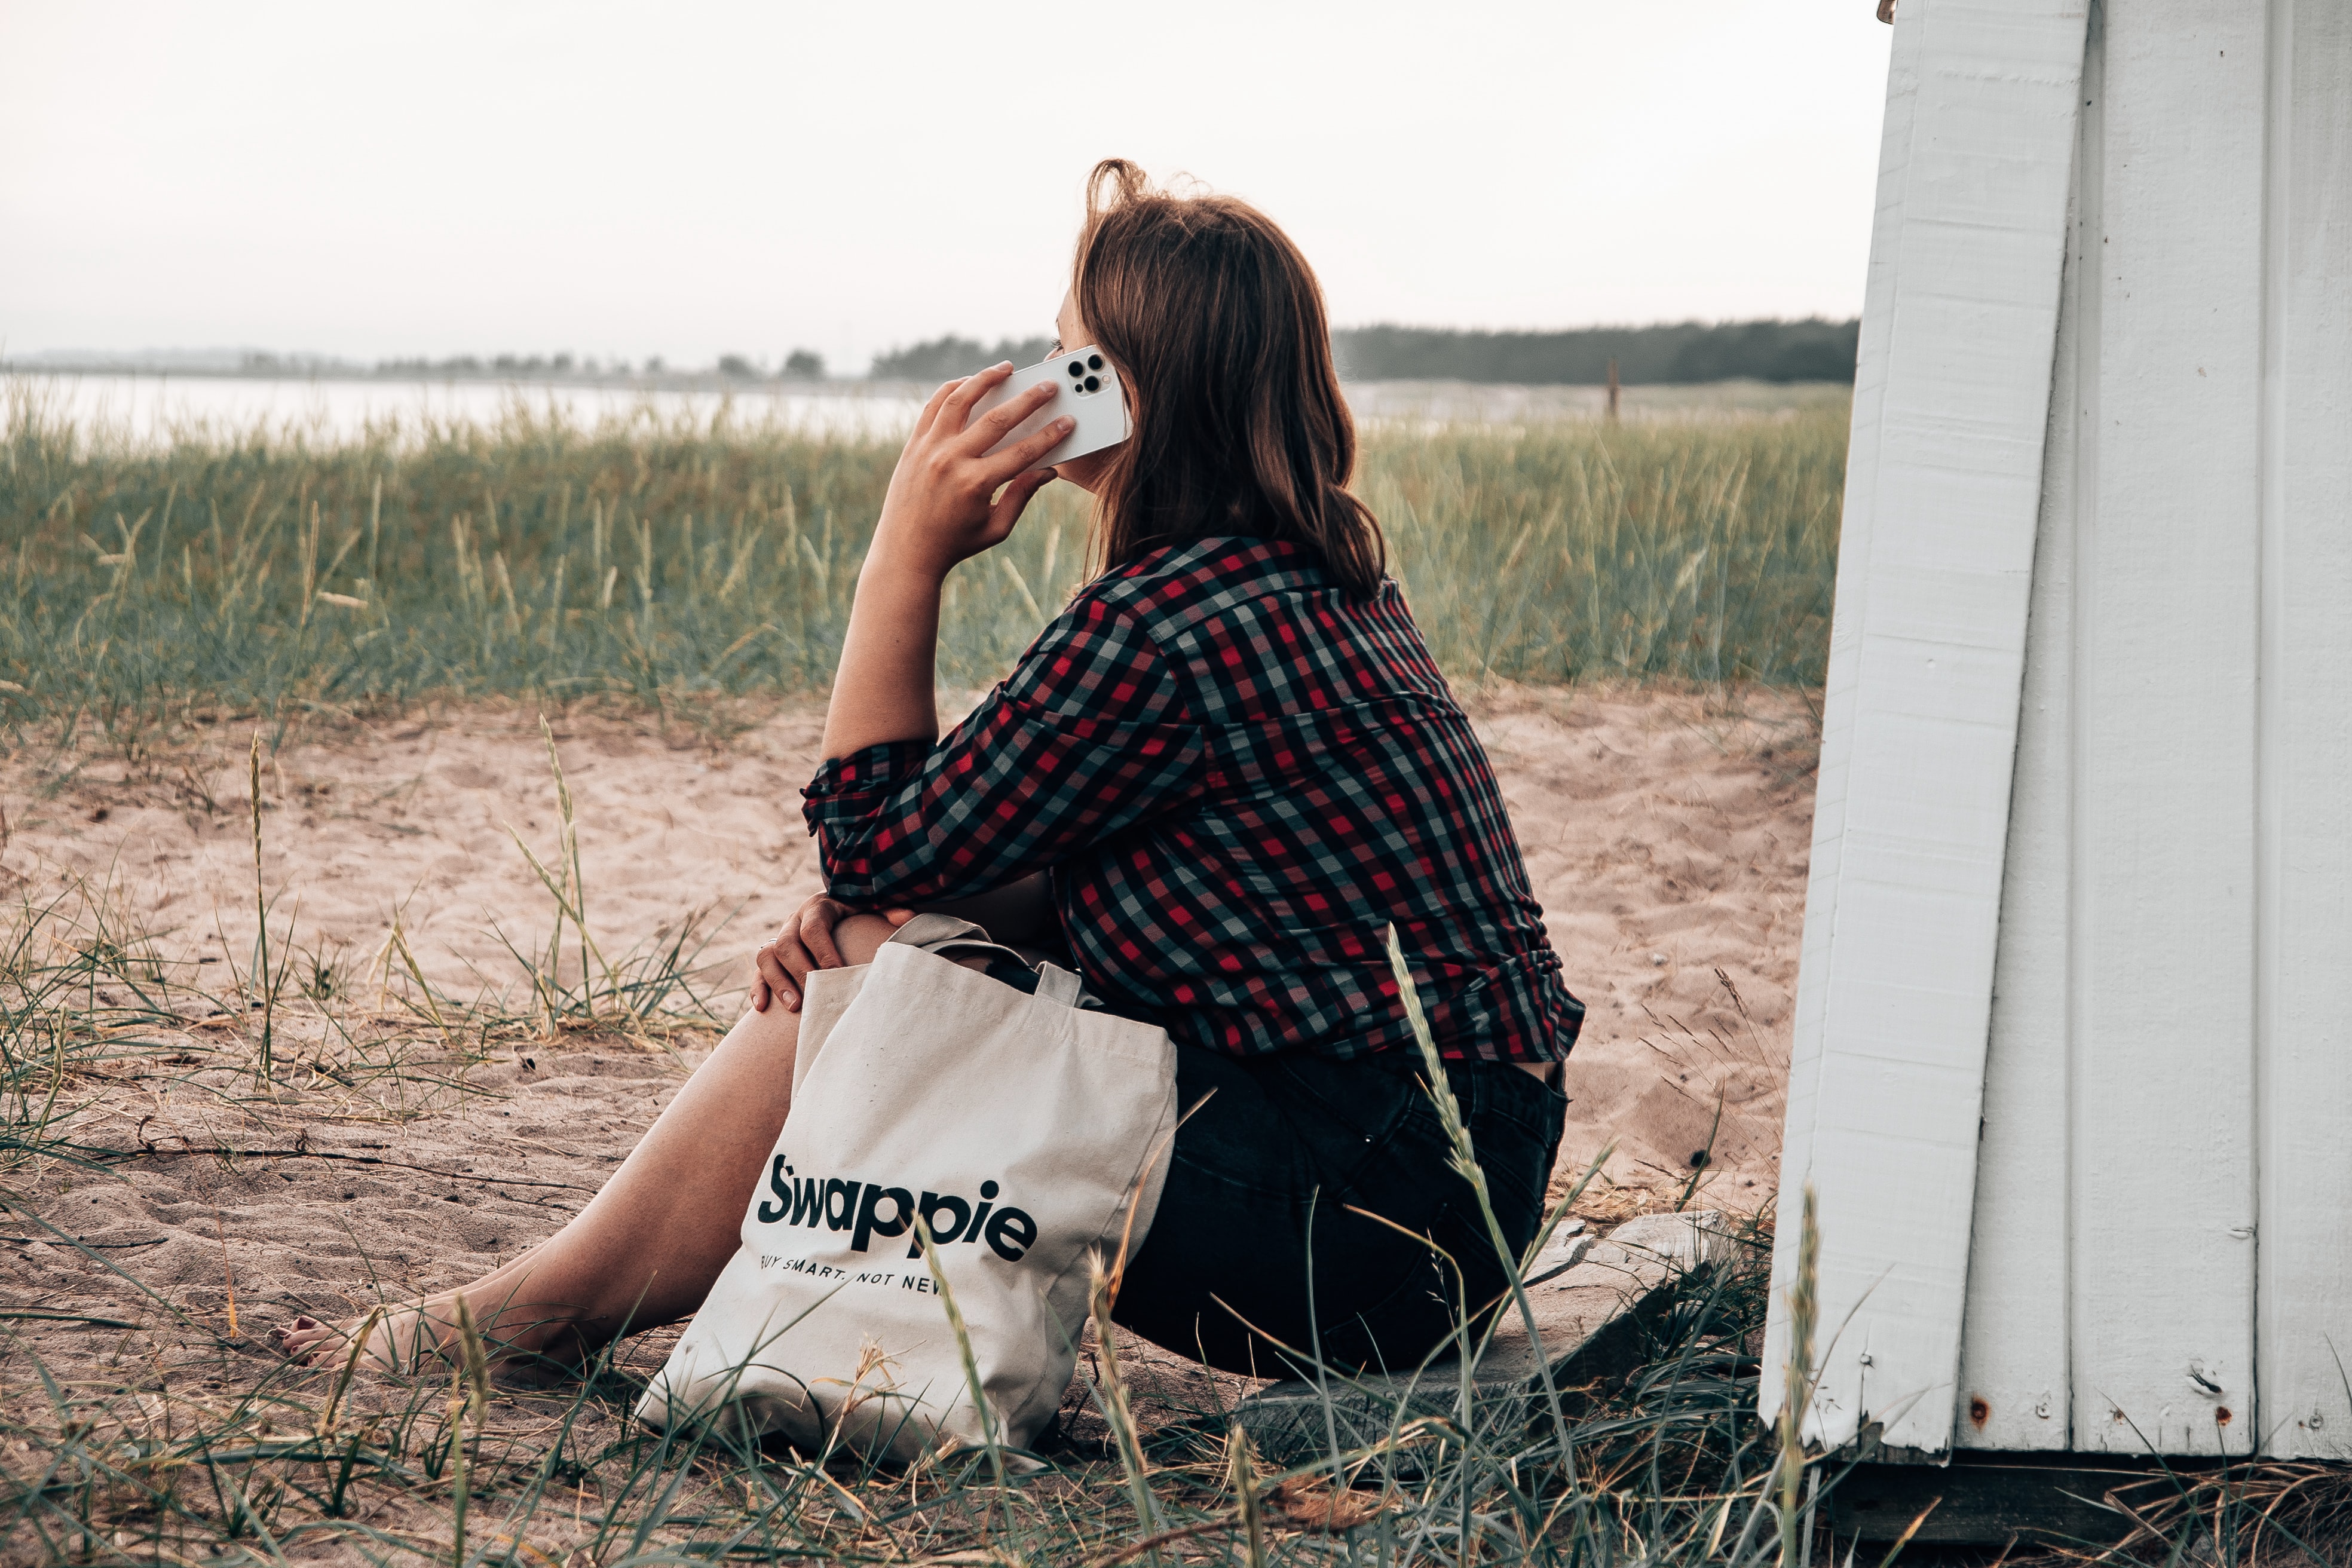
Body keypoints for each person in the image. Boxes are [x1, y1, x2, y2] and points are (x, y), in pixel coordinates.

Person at [274, 159, 1582, 1383]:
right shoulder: (1319, 582)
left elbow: (875, 841)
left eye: (1076, 350)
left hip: (1354, 1223)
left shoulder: (1163, 626)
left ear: (1130, 390)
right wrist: (894, 919)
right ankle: (554, 1300)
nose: (1044, 375)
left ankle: (542, 1313)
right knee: (885, 939)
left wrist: (904, 552)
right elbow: (1123, 876)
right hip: (1456, 1200)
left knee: (872, 957)